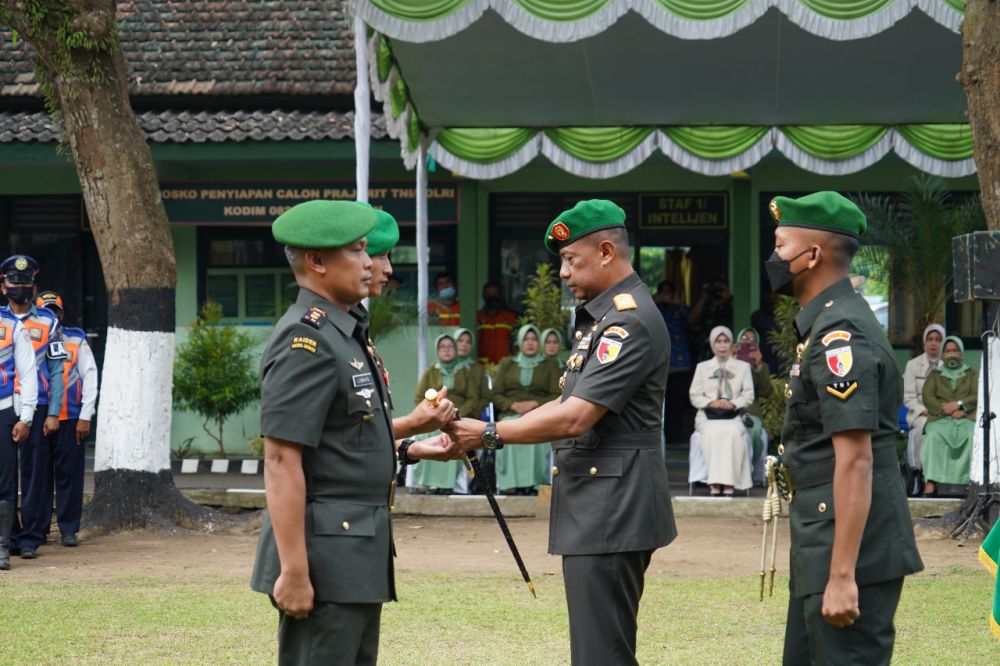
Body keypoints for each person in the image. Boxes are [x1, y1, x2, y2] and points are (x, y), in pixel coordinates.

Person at [445, 199, 676, 666]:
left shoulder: (626, 321)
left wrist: (490, 434)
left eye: (572, 260)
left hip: (614, 506)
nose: (564, 273)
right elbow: (566, 401)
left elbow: (576, 417)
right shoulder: (603, 319)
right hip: (601, 502)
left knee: (601, 653)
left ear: (607, 251)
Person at [249, 200, 458, 666]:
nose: (370, 263)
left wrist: (411, 442)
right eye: (358, 251)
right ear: (317, 262)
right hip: (325, 556)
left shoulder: (345, 332)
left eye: (369, 251)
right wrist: (295, 571)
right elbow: (282, 459)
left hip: (355, 552)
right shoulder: (306, 340)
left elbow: (346, 436)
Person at [766, 191, 922, 665]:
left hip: (850, 548)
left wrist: (841, 575)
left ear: (811, 255)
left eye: (780, 245)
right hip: (824, 534)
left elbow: (855, 458)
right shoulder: (823, 326)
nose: (773, 258)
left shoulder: (841, 336)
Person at [0, 254, 66, 560]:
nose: (20, 288)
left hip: (36, 407)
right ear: (4, 286)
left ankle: (32, 536)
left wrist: (53, 411)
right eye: (15, 282)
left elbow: (56, 370)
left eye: (26, 283)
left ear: (34, 286)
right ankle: (8, 534)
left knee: (35, 472)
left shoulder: (48, 321)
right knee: (6, 474)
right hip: (4, 405)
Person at [35, 291, 98, 547]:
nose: (52, 315)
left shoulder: (76, 338)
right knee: (38, 477)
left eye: (55, 311)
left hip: (71, 418)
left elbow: (90, 377)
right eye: (45, 311)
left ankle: (69, 529)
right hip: (38, 417)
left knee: (69, 476)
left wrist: (86, 416)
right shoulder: (28, 336)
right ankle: (37, 529)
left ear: (61, 313)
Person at [491, 325, 561, 494]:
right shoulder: (507, 364)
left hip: (539, 413)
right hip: (511, 413)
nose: (530, 343)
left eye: (534, 339)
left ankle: (534, 483)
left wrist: (535, 404)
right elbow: (495, 394)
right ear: (520, 342)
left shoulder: (549, 364)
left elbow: (556, 394)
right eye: (526, 339)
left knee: (535, 430)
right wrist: (513, 405)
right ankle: (510, 484)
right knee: (507, 428)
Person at [688, 326, 754, 495]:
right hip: (707, 417)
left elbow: (748, 395)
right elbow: (694, 395)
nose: (722, 345)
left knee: (733, 433)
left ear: (731, 344)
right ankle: (715, 482)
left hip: (733, 416)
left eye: (726, 341)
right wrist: (712, 402)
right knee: (711, 433)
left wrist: (732, 404)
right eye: (718, 341)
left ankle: (730, 482)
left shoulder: (743, 367)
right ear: (712, 345)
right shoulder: (702, 367)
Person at [410, 334, 477, 493]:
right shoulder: (431, 371)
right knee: (425, 435)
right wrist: (431, 413)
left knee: (453, 435)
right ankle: (428, 484)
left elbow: (473, 398)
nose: (446, 350)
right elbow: (419, 397)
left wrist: (456, 414)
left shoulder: (466, 371)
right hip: (434, 417)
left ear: (455, 350)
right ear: (437, 351)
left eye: (450, 347)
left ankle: (447, 485)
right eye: (442, 347)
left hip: (458, 416)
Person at [0, 303, 38, 570]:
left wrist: (26, 417)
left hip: (3, 411)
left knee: (5, 483)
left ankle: (2, 547)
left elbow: (28, 374)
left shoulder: (13, 325)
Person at [920, 336, 978, 495]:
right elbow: (927, 396)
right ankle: (930, 481)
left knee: (972, 436)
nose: (951, 354)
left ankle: (969, 481)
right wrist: (944, 409)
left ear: (961, 352)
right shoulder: (935, 374)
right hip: (941, 418)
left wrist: (960, 405)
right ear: (942, 354)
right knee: (933, 437)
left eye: (955, 350)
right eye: (947, 351)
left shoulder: (971, 373)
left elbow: (977, 394)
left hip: (965, 416)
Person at [654, 280, 696, 446]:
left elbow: (693, 319)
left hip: (680, 364)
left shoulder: (680, 310)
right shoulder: (652, 308)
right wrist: (658, 300)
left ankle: (675, 439)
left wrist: (677, 303)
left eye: (669, 292)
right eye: (662, 292)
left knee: (677, 404)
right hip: (658, 364)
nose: (666, 296)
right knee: (659, 404)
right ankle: (659, 439)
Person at [902, 324, 945, 481]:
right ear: (924, 342)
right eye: (930, 339)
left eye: (938, 340)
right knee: (923, 428)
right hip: (919, 413)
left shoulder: (947, 365)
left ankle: (945, 476)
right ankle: (919, 473)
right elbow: (908, 398)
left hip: (942, 413)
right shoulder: (912, 365)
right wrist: (924, 410)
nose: (934, 343)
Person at [735, 326, 775, 483]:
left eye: (752, 340)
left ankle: (751, 469)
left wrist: (758, 366)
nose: (748, 342)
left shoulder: (762, 366)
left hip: (750, 411)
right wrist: (732, 361)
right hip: (730, 410)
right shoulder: (729, 362)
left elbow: (767, 392)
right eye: (744, 339)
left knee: (755, 432)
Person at [688, 276, 733, 361]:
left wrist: (728, 298)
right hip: (706, 350)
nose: (717, 293)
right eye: (716, 290)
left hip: (725, 349)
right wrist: (703, 297)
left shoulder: (730, 304)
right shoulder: (706, 305)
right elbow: (692, 319)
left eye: (720, 290)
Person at [476, 281, 517, 364]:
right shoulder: (477, 317)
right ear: (483, 296)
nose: (492, 297)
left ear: (500, 295)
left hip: (505, 367)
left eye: (495, 293)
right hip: (482, 366)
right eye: (489, 294)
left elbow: (515, 345)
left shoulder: (511, 317)